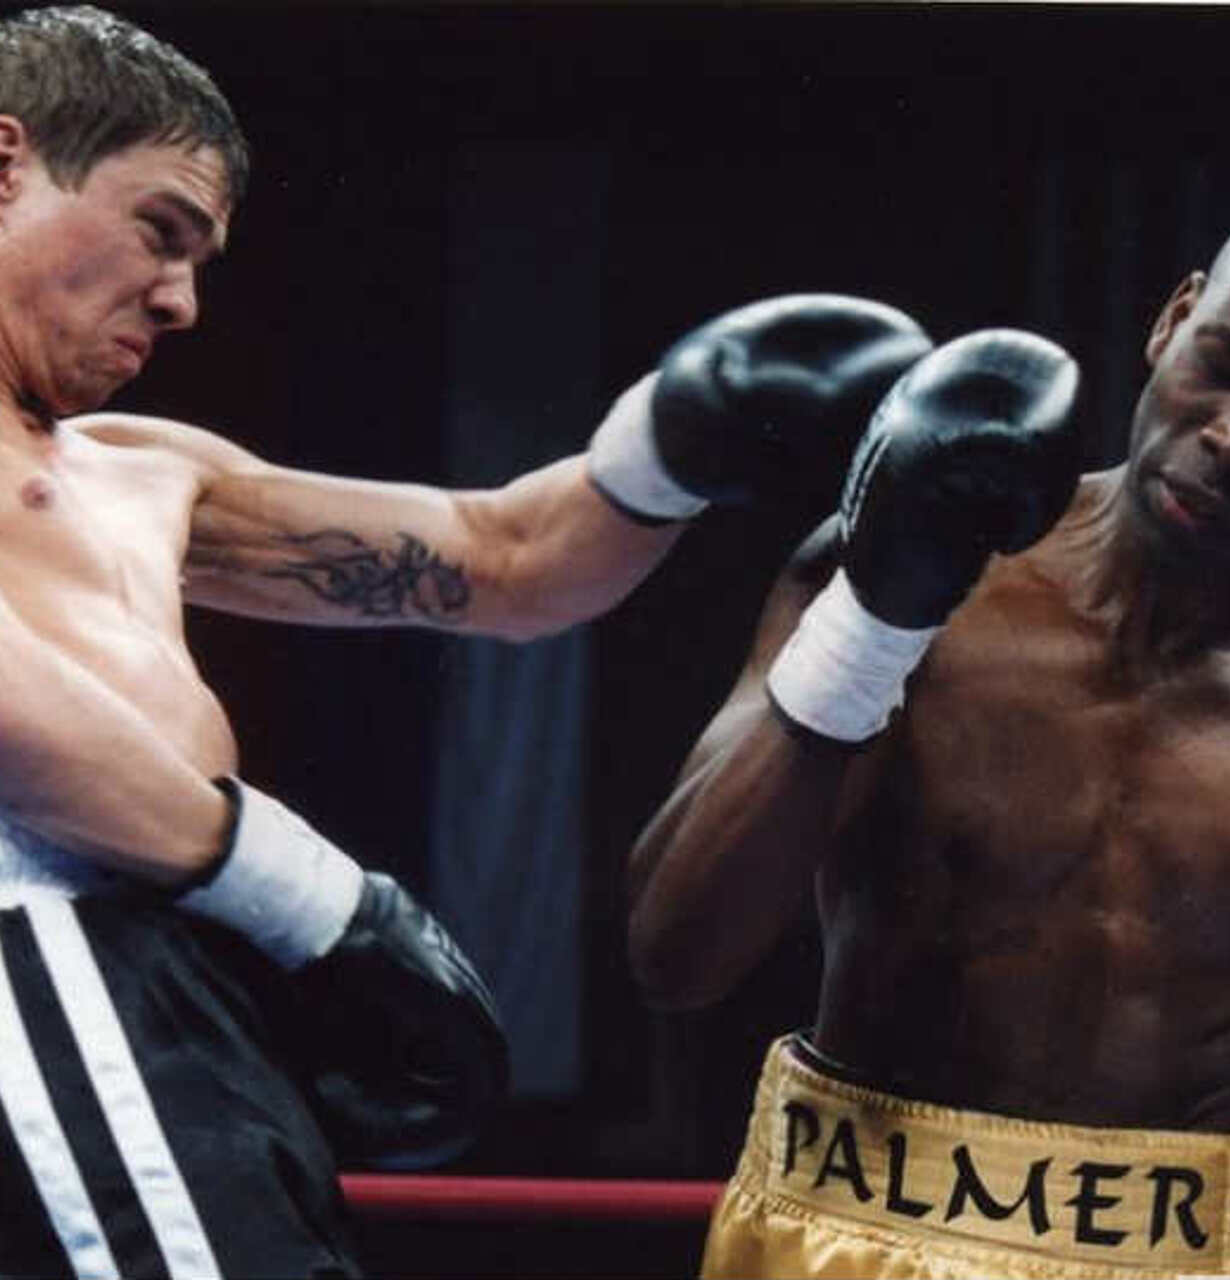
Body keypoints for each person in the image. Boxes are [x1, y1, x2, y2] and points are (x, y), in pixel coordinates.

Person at [0, 8, 937, 1275]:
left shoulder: (140, 469)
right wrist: (315, 900)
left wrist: (674, 439)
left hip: (155, 974)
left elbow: (502, 562)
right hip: (44, 950)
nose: (180, 301)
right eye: (159, 232)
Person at [627, 196, 1230, 1279]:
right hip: (848, 1233)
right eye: (1227, 364)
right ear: (1173, 320)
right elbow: (676, 950)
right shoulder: (930, 576)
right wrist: (877, 620)